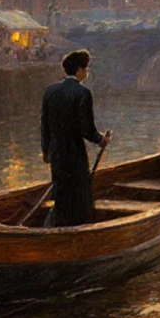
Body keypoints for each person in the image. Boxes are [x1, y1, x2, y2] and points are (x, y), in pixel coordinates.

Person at [40, 49, 111, 227]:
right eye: (86, 69)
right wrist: (101, 140)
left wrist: (45, 151)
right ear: (79, 70)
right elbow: (86, 129)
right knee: (79, 193)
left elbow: (45, 126)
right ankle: (79, 229)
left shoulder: (50, 91)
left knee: (61, 190)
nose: (87, 72)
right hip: (74, 152)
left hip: (56, 152)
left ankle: (58, 225)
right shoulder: (83, 93)